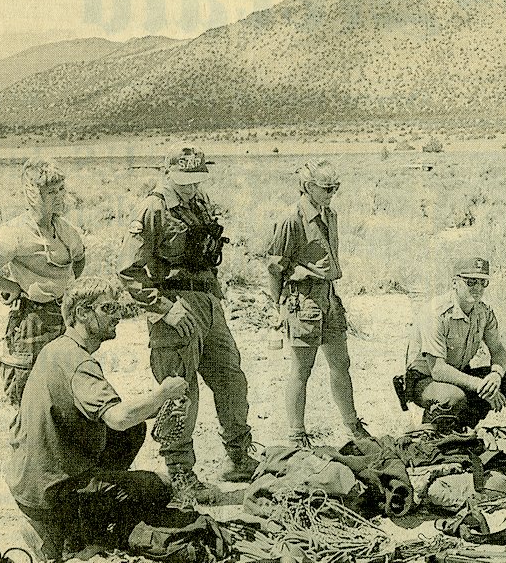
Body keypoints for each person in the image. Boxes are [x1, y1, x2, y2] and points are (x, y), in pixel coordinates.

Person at [7, 276, 188, 562]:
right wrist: (163, 393)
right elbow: (117, 417)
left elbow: (115, 419)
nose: (117, 316)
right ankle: (73, 539)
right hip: (51, 495)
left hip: (30, 485)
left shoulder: (57, 349)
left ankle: (68, 523)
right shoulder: (80, 363)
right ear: (81, 313)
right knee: (160, 487)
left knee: (132, 431)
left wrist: (157, 407)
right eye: (108, 309)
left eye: (117, 308)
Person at [118, 144, 257, 506]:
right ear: (168, 172)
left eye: (197, 179)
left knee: (231, 378)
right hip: (175, 307)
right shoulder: (154, 208)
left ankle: (239, 456)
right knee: (179, 389)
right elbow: (129, 272)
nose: (192, 186)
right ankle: (180, 472)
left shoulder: (198, 202)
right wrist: (163, 307)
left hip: (209, 302)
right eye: (185, 179)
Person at [0, 158, 85, 407]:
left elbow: (79, 261)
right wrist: (13, 287)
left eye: (62, 189)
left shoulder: (67, 231)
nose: (60, 196)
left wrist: (65, 289)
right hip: (31, 324)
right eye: (52, 192)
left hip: (66, 319)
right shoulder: (15, 232)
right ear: (33, 194)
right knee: (27, 399)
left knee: (66, 397)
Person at [265, 160, 369, 447]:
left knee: (340, 363)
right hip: (303, 299)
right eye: (326, 188)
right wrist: (278, 306)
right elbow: (275, 266)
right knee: (302, 369)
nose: (332, 193)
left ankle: (352, 425)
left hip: (328, 296)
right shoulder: (292, 219)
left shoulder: (329, 214)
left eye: (335, 187)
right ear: (308, 187)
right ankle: (296, 434)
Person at [404, 257, 506, 432]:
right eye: (471, 282)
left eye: (483, 282)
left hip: (459, 376)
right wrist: (480, 386)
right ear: (455, 283)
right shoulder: (436, 313)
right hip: (423, 380)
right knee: (454, 397)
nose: (478, 288)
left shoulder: (484, 312)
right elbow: (437, 369)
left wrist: (495, 376)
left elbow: (497, 350)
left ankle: (464, 426)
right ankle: (429, 431)